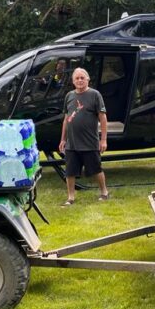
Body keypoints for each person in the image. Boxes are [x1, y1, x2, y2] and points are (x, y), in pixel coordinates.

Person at [58, 67, 109, 206]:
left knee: (96, 169)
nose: (80, 80)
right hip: (72, 143)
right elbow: (66, 119)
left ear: (88, 79)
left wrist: (103, 140)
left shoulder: (95, 95)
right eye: (77, 78)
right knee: (70, 171)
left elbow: (103, 118)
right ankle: (70, 197)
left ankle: (104, 192)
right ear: (73, 81)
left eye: (82, 78)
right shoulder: (69, 96)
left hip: (90, 142)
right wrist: (63, 139)